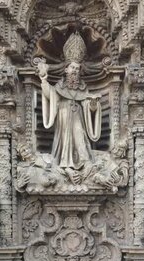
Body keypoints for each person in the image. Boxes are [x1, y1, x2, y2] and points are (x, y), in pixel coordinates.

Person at [37, 32, 102, 175]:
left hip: (78, 114)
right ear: (66, 69)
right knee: (66, 138)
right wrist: (43, 79)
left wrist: (92, 104)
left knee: (79, 134)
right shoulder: (60, 86)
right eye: (73, 68)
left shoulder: (82, 88)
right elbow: (50, 95)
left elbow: (88, 106)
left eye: (78, 68)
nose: (75, 71)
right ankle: (64, 163)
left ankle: (85, 162)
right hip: (63, 115)